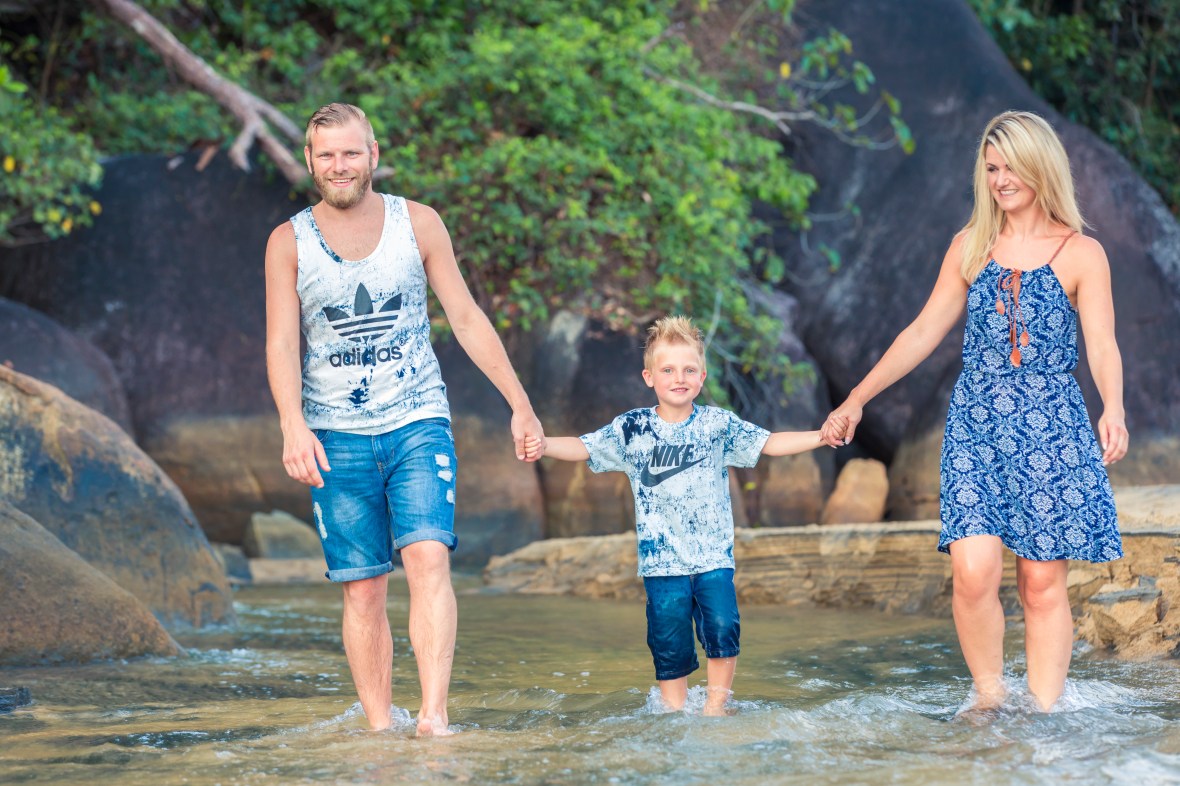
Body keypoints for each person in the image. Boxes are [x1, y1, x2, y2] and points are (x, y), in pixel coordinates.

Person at [820, 110, 1127, 713]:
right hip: (976, 425)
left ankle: (1044, 712)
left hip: (1052, 424)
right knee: (973, 572)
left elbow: (1102, 343)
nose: (1001, 178)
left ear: (1041, 165)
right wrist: (857, 397)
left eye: (1011, 165)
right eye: (991, 168)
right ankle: (989, 699)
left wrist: (1113, 406)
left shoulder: (1082, 253)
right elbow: (922, 331)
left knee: (1041, 581)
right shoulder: (970, 247)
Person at [264, 102, 544, 735]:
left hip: (417, 417)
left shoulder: (417, 224)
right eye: (327, 155)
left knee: (427, 559)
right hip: (334, 431)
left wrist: (520, 404)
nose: (340, 166)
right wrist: (291, 424)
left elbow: (467, 318)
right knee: (363, 588)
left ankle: (434, 718)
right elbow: (282, 342)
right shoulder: (288, 243)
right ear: (309, 160)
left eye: (351, 152)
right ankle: (379, 730)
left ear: (374, 154)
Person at [534, 316, 840, 715]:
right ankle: (674, 710)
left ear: (702, 376)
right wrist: (541, 445)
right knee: (667, 638)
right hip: (662, 563)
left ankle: (717, 705)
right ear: (649, 377)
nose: (679, 378)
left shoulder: (717, 425)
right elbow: (585, 447)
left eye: (689, 370)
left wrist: (820, 436)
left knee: (723, 627)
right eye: (668, 370)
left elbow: (768, 443)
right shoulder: (632, 429)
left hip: (713, 556)